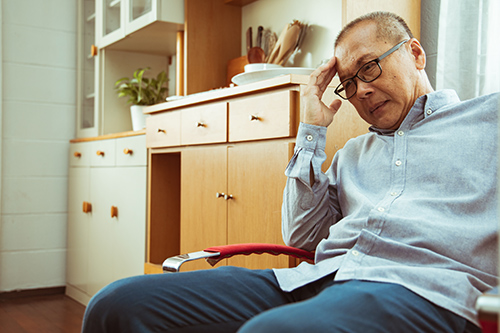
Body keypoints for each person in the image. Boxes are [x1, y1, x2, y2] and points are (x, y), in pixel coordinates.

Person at [82, 11, 498, 333]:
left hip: (424, 290)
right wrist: (312, 129)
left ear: (415, 53)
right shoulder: (353, 154)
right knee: (115, 305)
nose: (362, 90)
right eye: (348, 83)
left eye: (369, 68)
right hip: (314, 279)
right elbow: (300, 237)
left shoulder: (489, 120)